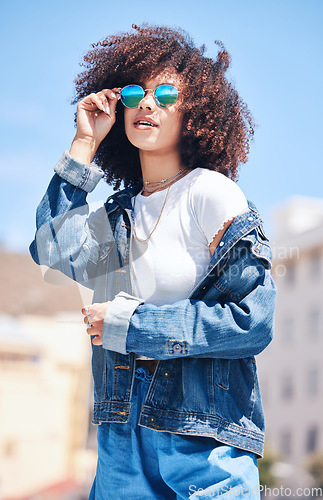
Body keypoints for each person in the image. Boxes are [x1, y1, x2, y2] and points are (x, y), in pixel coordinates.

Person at [30, 23, 276, 499]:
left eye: (165, 94)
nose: (147, 103)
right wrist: (86, 143)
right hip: (120, 434)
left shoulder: (211, 192)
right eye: (135, 92)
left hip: (199, 438)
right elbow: (52, 247)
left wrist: (131, 325)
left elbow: (253, 320)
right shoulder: (120, 212)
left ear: (195, 111)